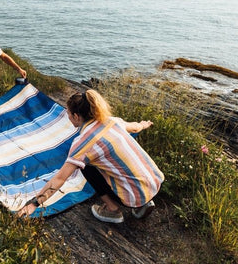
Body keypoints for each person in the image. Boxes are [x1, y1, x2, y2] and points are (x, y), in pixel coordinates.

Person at [17, 89, 164, 223]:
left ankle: (113, 209)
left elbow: (60, 178)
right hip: (155, 182)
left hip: (132, 197)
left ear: (76, 116)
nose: (68, 117)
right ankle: (144, 202)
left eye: (68, 114)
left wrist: (34, 204)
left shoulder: (82, 143)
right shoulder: (112, 121)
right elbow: (135, 127)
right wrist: (144, 124)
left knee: (86, 167)